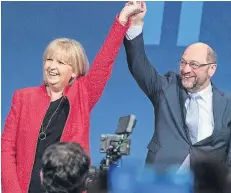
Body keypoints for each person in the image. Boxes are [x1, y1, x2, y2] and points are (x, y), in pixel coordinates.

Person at [1, 2, 145, 193]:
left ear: (74, 72)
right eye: (49, 59)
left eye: (60, 62)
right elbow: (7, 149)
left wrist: (122, 20)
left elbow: (105, 61)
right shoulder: (22, 98)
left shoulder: (82, 94)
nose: (52, 66)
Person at [123, 1, 231, 173]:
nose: (186, 70)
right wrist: (135, 24)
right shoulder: (166, 88)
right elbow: (138, 65)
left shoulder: (227, 104)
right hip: (162, 180)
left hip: (205, 184)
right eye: (183, 62)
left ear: (211, 69)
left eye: (194, 65)